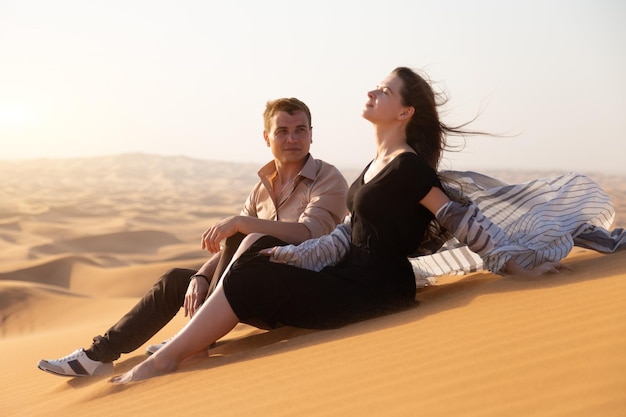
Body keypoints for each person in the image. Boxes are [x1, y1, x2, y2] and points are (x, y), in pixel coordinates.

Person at [107, 66, 576, 384]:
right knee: (256, 257)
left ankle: (168, 358)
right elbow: (341, 236)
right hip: (347, 278)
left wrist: (513, 265)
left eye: (385, 91)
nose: (372, 93)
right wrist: (290, 254)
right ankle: (181, 351)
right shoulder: (375, 165)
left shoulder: (410, 167)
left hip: (375, 289)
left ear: (405, 112)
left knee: (250, 272)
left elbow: (460, 218)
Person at [37, 97, 349, 377]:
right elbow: (235, 246)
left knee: (245, 236)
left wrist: (242, 223)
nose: (292, 138)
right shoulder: (261, 188)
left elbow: (310, 234)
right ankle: (97, 356)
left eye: (300, 130)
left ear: (311, 133)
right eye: (282, 131)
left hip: (299, 292)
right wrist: (201, 276)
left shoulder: (327, 178)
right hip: (249, 289)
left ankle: (194, 339)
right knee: (177, 280)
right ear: (267, 138)